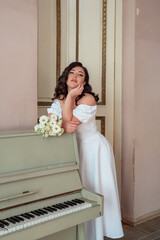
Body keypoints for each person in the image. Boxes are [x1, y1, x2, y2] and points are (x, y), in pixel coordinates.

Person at [47, 62, 124, 239]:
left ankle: (97, 234)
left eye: (80, 74)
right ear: (65, 77)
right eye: (71, 72)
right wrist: (65, 113)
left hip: (94, 150)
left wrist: (70, 98)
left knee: (96, 190)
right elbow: (54, 124)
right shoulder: (59, 98)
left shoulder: (87, 98)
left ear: (85, 80)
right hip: (74, 151)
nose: (75, 76)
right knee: (79, 192)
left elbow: (69, 124)